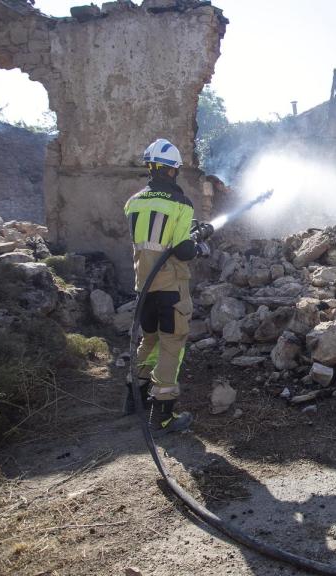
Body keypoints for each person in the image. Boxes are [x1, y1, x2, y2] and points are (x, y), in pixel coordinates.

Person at [124, 138, 206, 433]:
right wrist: (198, 243)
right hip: (171, 288)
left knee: (149, 341)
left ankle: (132, 399)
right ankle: (164, 414)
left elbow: (153, 241)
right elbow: (183, 250)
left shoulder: (132, 203)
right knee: (172, 346)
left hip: (143, 288)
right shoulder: (180, 204)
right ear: (172, 171)